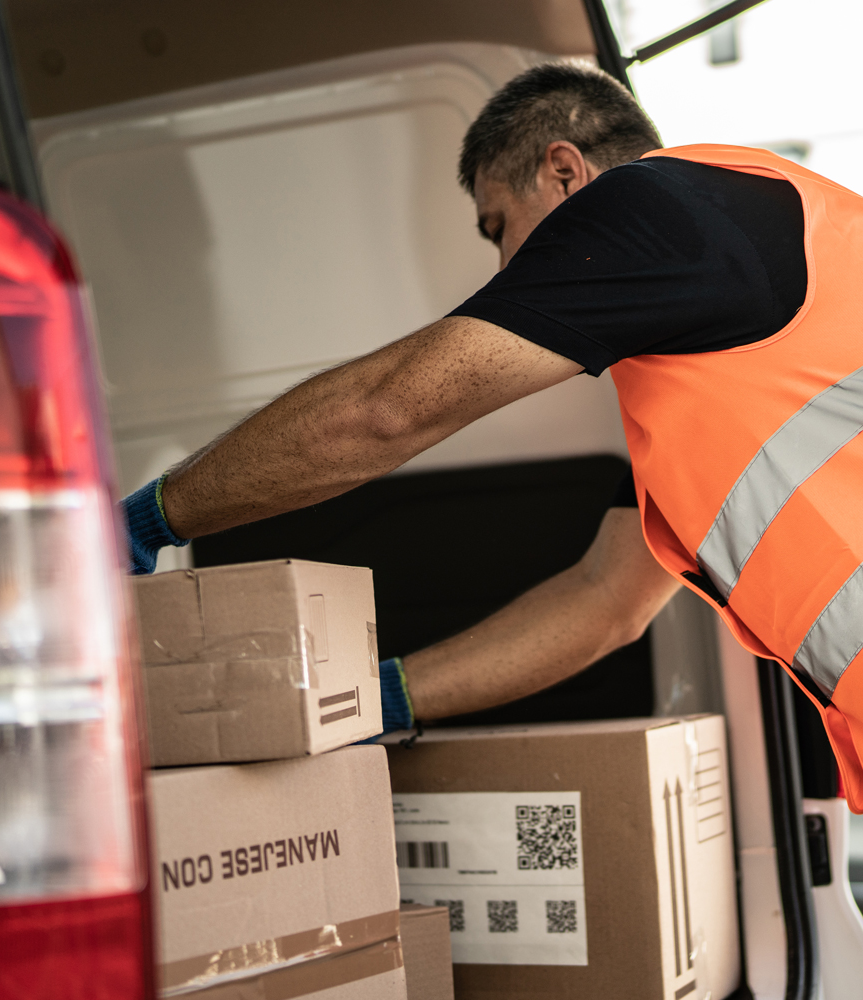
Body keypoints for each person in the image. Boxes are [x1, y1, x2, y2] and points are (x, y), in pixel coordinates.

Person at [122, 63, 863, 809]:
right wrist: (388, 697)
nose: (507, 265)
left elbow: (387, 411)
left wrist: (150, 519)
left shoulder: (657, 206)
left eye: (499, 226)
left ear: (566, 171)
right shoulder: (721, 335)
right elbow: (605, 603)